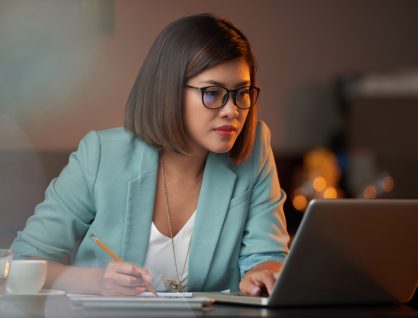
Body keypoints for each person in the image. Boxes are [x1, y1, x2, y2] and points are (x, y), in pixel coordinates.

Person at [10, 13, 290, 296]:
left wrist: (259, 275)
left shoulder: (254, 151)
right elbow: (25, 262)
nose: (232, 110)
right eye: (212, 92)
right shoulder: (100, 155)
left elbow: (267, 256)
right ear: (169, 91)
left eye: (241, 92)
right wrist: (96, 282)